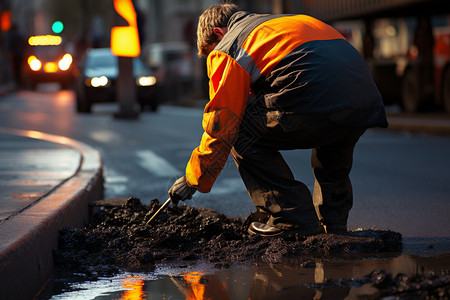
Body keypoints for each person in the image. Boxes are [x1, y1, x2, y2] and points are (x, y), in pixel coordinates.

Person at [168, 4, 388, 238]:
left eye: (210, 52)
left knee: (240, 130)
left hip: (313, 97)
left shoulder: (229, 45)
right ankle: (334, 225)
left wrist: (194, 178)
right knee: (334, 145)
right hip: (364, 100)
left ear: (219, 33)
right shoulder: (284, 24)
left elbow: (223, 124)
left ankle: (291, 218)